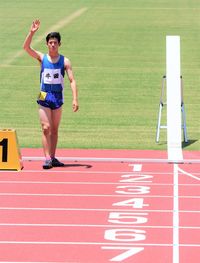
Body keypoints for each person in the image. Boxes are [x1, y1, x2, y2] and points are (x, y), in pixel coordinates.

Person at [23, 20, 79, 169]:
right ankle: (47, 157)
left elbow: (72, 80)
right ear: (47, 44)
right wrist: (32, 32)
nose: (53, 45)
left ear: (59, 44)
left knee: (54, 129)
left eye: (55, 42)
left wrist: (75, 98)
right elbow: (26, 48)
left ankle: (53, 157)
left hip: (58, 96)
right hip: (43, 95)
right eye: (50, 42)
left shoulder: (65, 61)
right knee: (45, 127)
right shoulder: (42, 58)